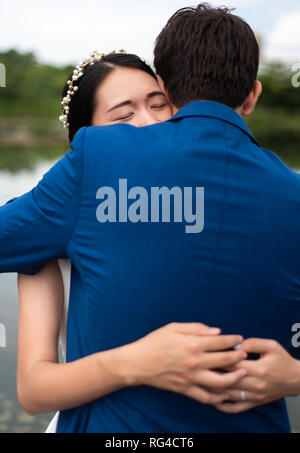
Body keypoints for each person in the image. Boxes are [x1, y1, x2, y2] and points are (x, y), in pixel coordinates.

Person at [0, 3, 300, 432]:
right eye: (122, 116)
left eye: (155, 104)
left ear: (167, 90)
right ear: (253, 94)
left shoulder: (96, 163)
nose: (143, 122)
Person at [17, 52, 246, 432]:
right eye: (123, 117)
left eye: (160, 105)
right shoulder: (48, 235)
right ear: (84, 142)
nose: (151, 121)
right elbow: (33, 390)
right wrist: (138, 362)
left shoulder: (227, 205)